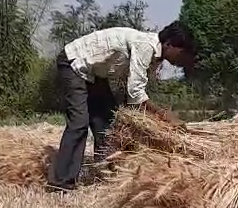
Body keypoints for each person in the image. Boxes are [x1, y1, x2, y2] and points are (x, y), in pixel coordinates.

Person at [47, 20, 196, 192]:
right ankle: (61, 182)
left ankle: (104, 174)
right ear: (169, 44)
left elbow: (131, 90)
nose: (183, 58)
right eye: (182, 52)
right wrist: (165, 116)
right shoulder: (145, 46)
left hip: (96, 73)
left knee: (107, 123)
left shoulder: (155, 58)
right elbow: (136, 94)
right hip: (74, 63)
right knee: (79, 122)